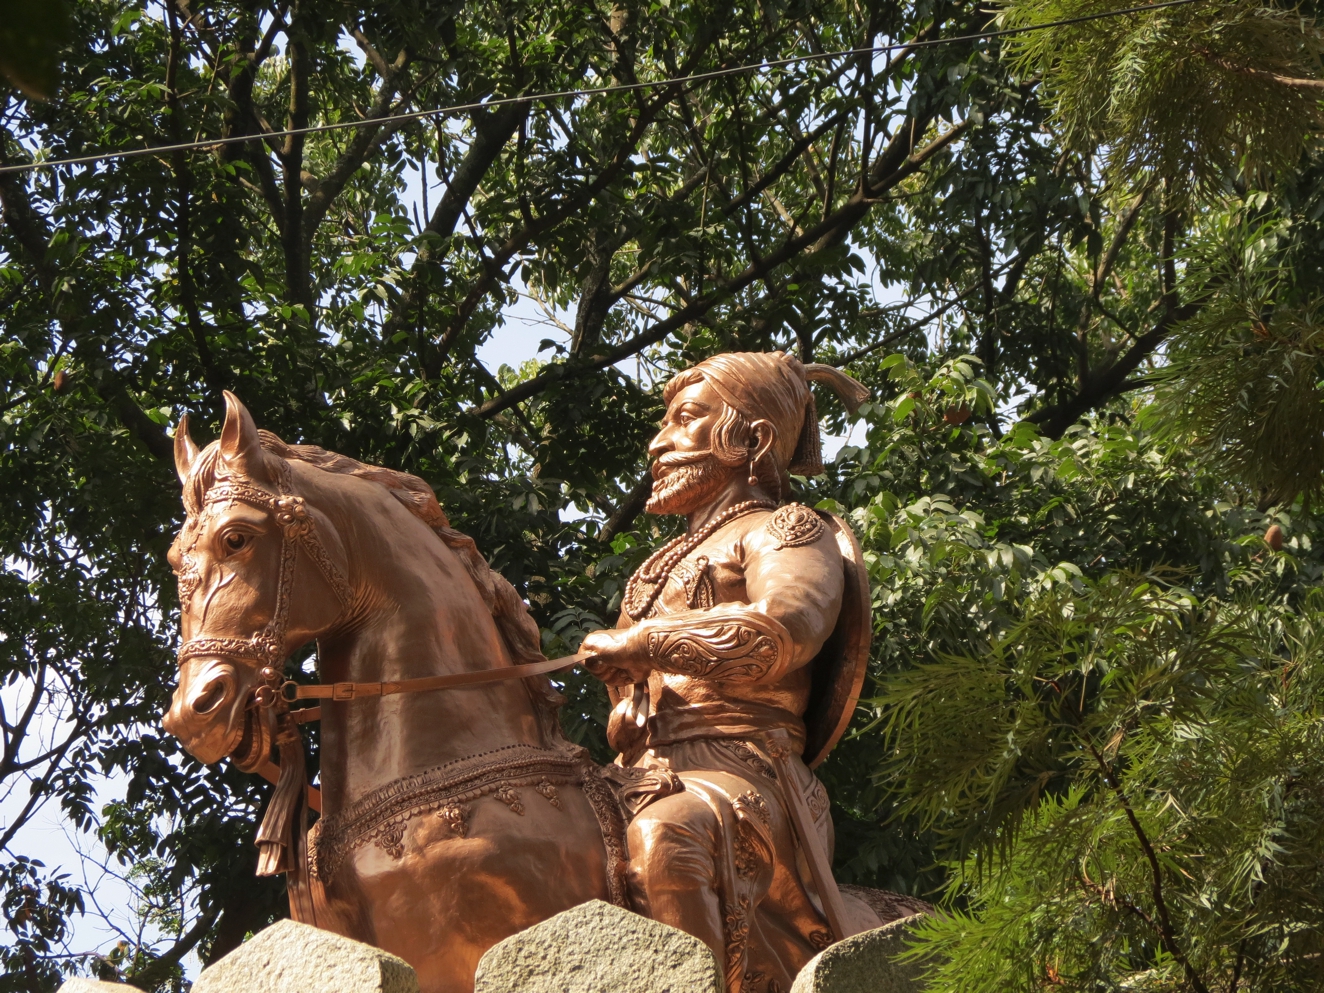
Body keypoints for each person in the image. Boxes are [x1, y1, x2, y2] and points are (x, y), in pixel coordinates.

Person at [579, 351, 874, 993]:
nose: (659, 443)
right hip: (641, 770)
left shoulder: (786, 529)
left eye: (685, 420)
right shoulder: (653, 569)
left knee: (665, 837)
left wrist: (648, 642)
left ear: (753, 439)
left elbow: (783, 632)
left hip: (744, 767)